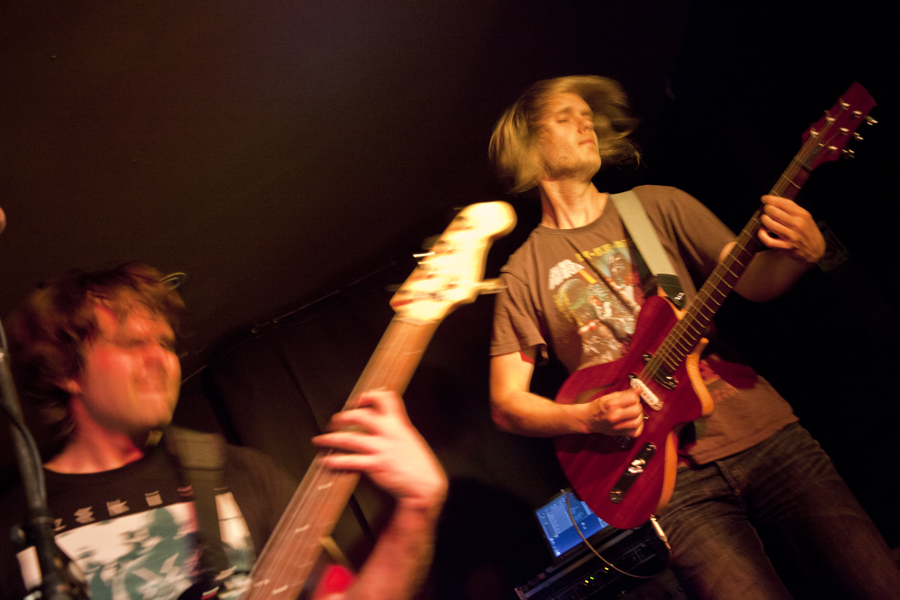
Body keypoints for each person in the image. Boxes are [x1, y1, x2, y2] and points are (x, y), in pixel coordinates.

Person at [487, 76, 900, 599]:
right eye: (564, 116)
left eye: (587, 114)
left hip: (767, 436)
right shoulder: (523, 272)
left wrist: (800, 257)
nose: (586, 122)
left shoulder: (657, 205)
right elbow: (506, 404)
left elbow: (752, 280)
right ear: (527, 140)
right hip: (666, 482)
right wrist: (584, 416)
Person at [0, 262, 447, 600]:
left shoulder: (242, 473)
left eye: (167, 344)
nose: (161, 359)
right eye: (133, 343)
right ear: (65, 371)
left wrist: (418, 507)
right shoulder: (12, 521)